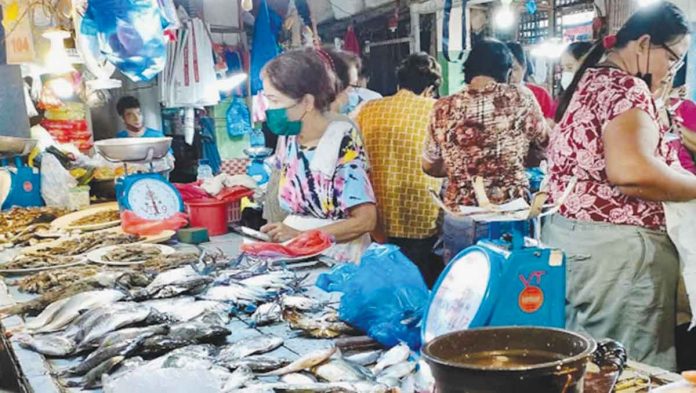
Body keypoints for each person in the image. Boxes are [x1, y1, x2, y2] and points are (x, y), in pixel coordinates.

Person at [543, 1, 694, 371]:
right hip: (618, 255)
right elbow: (632, 172)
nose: (671, 72)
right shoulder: (626, 89)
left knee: (589, 364)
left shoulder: (592, 80)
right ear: (644, 44)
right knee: (627, 370)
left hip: (574, 241)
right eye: (672, 60)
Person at [422, 38, 549, 263]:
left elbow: (429, 165)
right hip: (508, 214)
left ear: (468, 70)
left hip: (461, 216)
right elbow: (544, 146)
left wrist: (460, 163)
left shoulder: (442, 107)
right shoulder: (521, 97)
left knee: (462, 292)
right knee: (507, 290)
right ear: (508, 72)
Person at [259, 48, 377, 263]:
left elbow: (365, 221)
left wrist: (302, 235)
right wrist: (283, 231)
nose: (269, 109)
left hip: (335, 257)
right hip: (298, 252)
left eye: (275, 101)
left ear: (306, 102)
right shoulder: (289, 138)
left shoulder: (341, 140)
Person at [357, 52, 444, 287]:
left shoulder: (368, 109)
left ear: (399, 83)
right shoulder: (436, 109)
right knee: (420, 283)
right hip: (421, 214)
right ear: (430, 89)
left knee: (385, 284)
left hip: (377, 216)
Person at [507, 42, 554, 120]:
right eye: (506, 69)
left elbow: (550, 124)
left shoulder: (540, 94)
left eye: (515, 69)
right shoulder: (493, 96)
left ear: (524, 68)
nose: (510, 75)